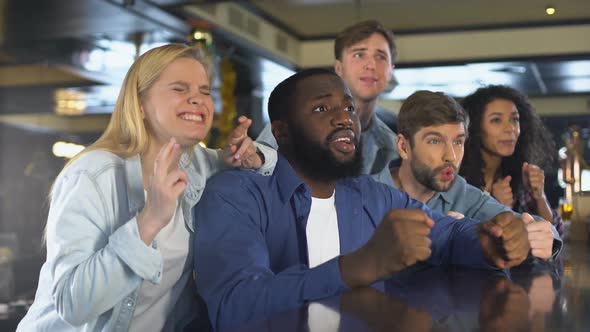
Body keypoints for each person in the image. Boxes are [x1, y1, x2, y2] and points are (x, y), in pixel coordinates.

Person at [194, 69, 531, 330]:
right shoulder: (234, 195)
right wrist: (360, 265)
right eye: (322, 107)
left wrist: (489, 242)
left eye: (349, 107)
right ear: (281, 131)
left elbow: (448, 234)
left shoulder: (372, 195)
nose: (344, 118)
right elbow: (234, 308)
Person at [17, 44, 276, 332]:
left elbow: (276, 169)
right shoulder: (93, 173)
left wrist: (254, 157)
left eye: (205, 91)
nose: (197, 100)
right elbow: (73, 305)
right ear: (140, 104)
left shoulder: (203, 164)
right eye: (180, 89)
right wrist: (149, 220)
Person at [375, 90, 561, 260]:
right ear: (403, 147)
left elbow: (537, 227)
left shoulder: (464, 194)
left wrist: (538, 236)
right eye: (435, 141)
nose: (451, 156)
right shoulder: (365, 193)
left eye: (458, 142)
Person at [257, 20, 398, 175]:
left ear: (391, 71)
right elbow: (254, 172)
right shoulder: (293, 125)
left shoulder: (393, 147)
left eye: (381, 57)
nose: (371, 65)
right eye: (359, 55)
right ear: (339, 68)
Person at [459, 85, 563, 233]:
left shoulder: (519, 175)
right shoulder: (458, 181)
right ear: (475, 127)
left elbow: (553, 235)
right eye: (496, 120)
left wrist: (539, 197)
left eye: (514, 119)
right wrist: (496, 208)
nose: (510, 128)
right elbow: (457, 239)